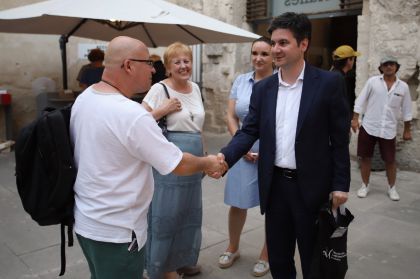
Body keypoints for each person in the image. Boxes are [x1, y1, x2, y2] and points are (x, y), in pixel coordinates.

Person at [69, 36, 225, 279]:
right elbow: (178, 164)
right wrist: (209, 162)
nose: (154, 69)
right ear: (130, 65)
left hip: (88, 221)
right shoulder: (131, 114)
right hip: (119, 230)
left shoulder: (86, 98)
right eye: (148, 63)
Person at [217, 12, 350, 279]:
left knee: (315, 261)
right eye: (274, 42)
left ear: (303, 44)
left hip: (312, 188)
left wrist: (340, 183)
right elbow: (249, 131)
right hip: (275, 187)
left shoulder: (328, 83)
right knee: (278, 260)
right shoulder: (263, 89)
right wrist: (224, 157)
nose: (275, 49)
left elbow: (339, 139)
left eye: (283, 43)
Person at [142, 42, 205, 279]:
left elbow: (197, 125)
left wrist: (203, 155)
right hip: (170, 155)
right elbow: (139, 121)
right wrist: (162, 110)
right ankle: (162, 266)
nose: (183, 65)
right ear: (168, 67)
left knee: (189, 210)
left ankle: (184, 259)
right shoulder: (160, 89)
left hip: (194, 155)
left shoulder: (196, 88)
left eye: (186, 60)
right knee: (167, 211)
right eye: (177, 62)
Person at [218, 37, 273, 277]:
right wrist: (241, 145)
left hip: (271, 150)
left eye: (264, 54)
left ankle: (267, 254)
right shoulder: (241, 80)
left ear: (273, 56)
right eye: (255, 53)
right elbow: (231, 116)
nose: (258, 58)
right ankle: (233, 247)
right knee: (237, 202)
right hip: (242, 146)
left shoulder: (280, 82)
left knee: (274, 206)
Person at [352, 56, 412, 201]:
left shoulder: (403, 87)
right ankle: (365, 185)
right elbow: (360, 100)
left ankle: (392, 188)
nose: (389, 67)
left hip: (388, 129)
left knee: (390, 160)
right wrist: (355, 119)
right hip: (369, 126)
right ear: (381, 68)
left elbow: (407, 109)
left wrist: (407, 129)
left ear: (396, 67)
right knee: (365, 158)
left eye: (392, 64)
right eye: (385, 64)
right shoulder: (373, 82)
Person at [331, 45, 361, 120]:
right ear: (349, 61)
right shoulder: (340, 79)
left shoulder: (333, 74)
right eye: (353, 59)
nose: (354, 62)